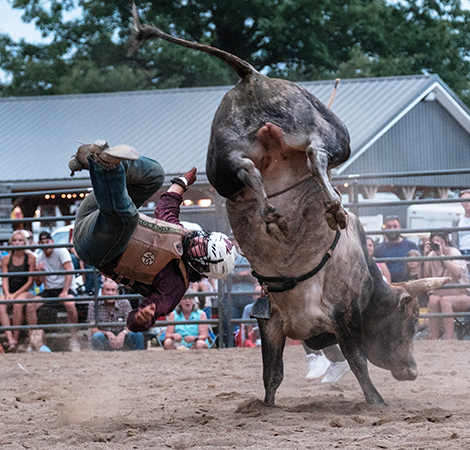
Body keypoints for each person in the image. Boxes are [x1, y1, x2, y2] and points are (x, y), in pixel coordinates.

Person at [69, 139, 237, 334]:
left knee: (128, 217)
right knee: (156, 175)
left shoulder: (174, 287)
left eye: (202, 247)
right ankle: (100, 162)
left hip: (95, 247)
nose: (198, 240)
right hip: (95, 215)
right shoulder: (179, 234)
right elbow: (168, 205)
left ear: (204, 265)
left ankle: (102, 166)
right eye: (205, 238)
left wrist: (141, 318)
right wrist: (182, 183)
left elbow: (135, 321)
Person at [26, 230, 81, 352]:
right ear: (40, 243)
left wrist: (65, 291)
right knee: (30, 305)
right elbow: (38, 283)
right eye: (43, 242)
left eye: (47, 242)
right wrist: (38, 271)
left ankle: (74, 339)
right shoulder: (39, 257)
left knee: (70, 304)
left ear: (52, 241)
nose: (46, 245)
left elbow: (69, 271)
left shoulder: (61, 251)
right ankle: (34, 340)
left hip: (65, 288)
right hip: (49, 290)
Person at [420, 231, 470, 340]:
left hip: (462, 295)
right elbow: (423, 278)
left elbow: (457, 273)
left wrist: (442, 256)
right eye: (435, 243)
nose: (437, 245)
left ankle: (449, 339)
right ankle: (434, 338)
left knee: (445, 301)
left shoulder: (454, 252)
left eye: (439, 242)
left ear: (445, 241)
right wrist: (424, 256)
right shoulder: (431, 255)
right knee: (433, 299)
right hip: (440, 294)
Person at [0, 230, 36, 352]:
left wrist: (14, 295)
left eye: (20, 240)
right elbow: (4, 278)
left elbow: (30, 281)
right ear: (11, 243)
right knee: (1, 304)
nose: (17, 243)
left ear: (24, 242)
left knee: (18, 303)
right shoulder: (6, 259)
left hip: (25, 290)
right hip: (10, 291)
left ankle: (16, 338)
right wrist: (7, 293)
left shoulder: (30, 258)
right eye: (15, 240)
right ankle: (11, 340)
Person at [87, 278, 143, 351]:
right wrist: (107, 333)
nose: (110, 293)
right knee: (97, 336)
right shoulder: (94, 304)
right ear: (102, 292)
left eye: (113, 290)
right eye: (107, 290)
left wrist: (123, 333)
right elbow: (92, 329)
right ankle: (98, 359)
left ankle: (138, 358)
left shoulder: (124, 303)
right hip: (105, 339)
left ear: (117, 292)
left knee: (137, 334)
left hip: (123, 339)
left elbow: (131, 325)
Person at [373, 215, 419, 282]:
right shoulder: (378, 250)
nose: (392, 229)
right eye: (389, 227)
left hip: (408, 284)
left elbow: (420, 266)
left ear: (400, 228)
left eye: (395, 226)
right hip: (386, 286)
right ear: (385, 229)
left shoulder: (411, 246)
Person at [452, 189, 470, 257]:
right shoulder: (457, 220)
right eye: (464, 200)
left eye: (468, 200)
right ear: (461, 203)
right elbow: (454, 241)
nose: (466, 203)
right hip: (461, 253)